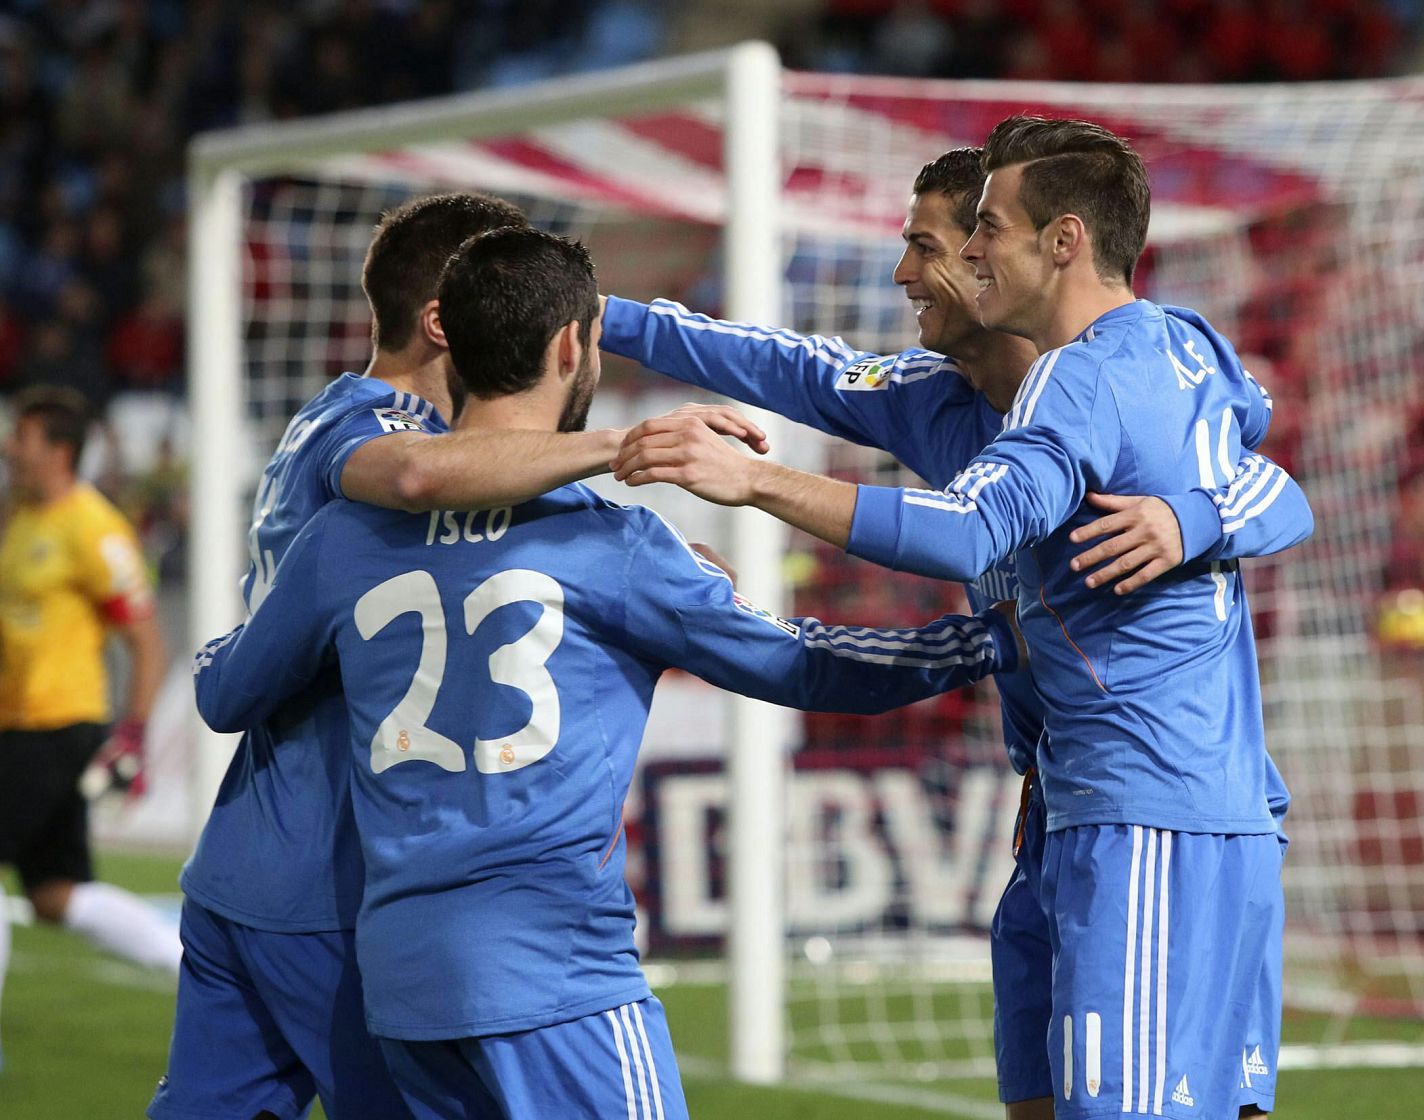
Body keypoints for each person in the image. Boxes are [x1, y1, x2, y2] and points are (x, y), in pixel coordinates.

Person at [189, 225, 1020, 1120]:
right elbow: (810, 666)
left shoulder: (343, 538)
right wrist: (987, 641)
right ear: (570, 345)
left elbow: (223, 689)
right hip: (558, 971)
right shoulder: (613, 544)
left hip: (403, 978)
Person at [614, 118, 1311, 1120]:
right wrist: (600, 317)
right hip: (1067, 801)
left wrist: (756, 481)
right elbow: (791, 366)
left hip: (1158, 800)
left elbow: (978, 526)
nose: (917, 267)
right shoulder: (942, 397)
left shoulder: (1104, 370)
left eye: (950, 238)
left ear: (1055, 241)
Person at [151, 192, 767, 1120]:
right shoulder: (376, 433)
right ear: (444, 319)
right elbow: (415, 476)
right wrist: (626, 446)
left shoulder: (323, 425)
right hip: (341, 881)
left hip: (248, 865)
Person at [0, 387, 181, 1064]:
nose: (11, 447)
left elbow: (146, 640)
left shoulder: (93, 528)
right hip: (16, 725)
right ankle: (192, 963)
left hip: (57, 725)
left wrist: (132, 734)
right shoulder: (23, 518)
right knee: (53, 895)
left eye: (23, 436)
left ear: (58, 450)